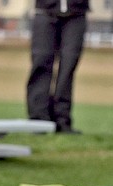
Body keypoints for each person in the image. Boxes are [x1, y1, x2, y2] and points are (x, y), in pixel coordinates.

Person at [26, 0, 89, 134]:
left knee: (68, 67)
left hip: (76, 13)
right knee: (41, 62)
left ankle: (62, 120)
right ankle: (38, 119)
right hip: (45, 11)